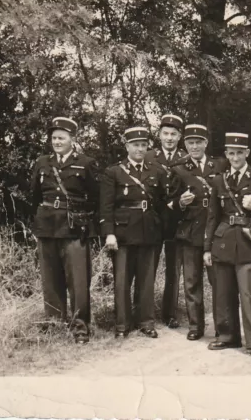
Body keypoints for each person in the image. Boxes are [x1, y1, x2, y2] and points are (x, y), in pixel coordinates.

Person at [203, 132, 251, 361]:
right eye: (231, 153)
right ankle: (227, 336)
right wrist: (207, 248)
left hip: (249, 242)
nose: (235, 157)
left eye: (239, 153)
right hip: (223, 242)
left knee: (249, 295)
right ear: (226, 155)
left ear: (247, 153)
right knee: (223, 293)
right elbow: (212, 217)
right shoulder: (219, 180)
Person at [30, 117, 100, 344]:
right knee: (50, 280)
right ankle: (54, 324)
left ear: (73, 139)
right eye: (54, 138)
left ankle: (80, 327)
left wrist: (82, 218)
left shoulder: (86, 163)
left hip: (73, 229)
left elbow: (96, 198)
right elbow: (34, 197)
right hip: (47, 228)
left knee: (78, 282)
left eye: (62, 138)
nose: (57, 142)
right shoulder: (42, 162)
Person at [100, 127, 170, 339]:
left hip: (148, 232)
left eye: (143, 145)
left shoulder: (156, 171)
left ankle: (146, 321)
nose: (139, 149)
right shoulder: (114, 172)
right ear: (127, 146)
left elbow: (161, 204)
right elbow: (106, 206)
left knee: (146, 280)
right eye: (135, 145)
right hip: (122, 234)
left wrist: (160, 229)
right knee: (122, 280)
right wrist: (109, 233)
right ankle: (122, 324)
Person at [168, 124, 227, 341]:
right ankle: (196, 326)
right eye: (190, 142)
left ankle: (222, 326)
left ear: (205, 143)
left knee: (218, 281)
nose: (194, 146)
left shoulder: (221, 164)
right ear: (185, 144)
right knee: (192, 282)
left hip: (216, 233)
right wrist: (180, 203)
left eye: (198, 142)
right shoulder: (178, 169)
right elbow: (169, 203)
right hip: (190, 232)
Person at [145, 114, 187, 329]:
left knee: (174, 268)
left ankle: (169, 313)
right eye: (165, 134)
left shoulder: (186, 157)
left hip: (177, 221)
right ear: (159, 134)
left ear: (180, 136)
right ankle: (145, 312)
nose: (169, 138)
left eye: (173, 134)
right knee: (149, 267)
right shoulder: (149, 156)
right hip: (154, 219)